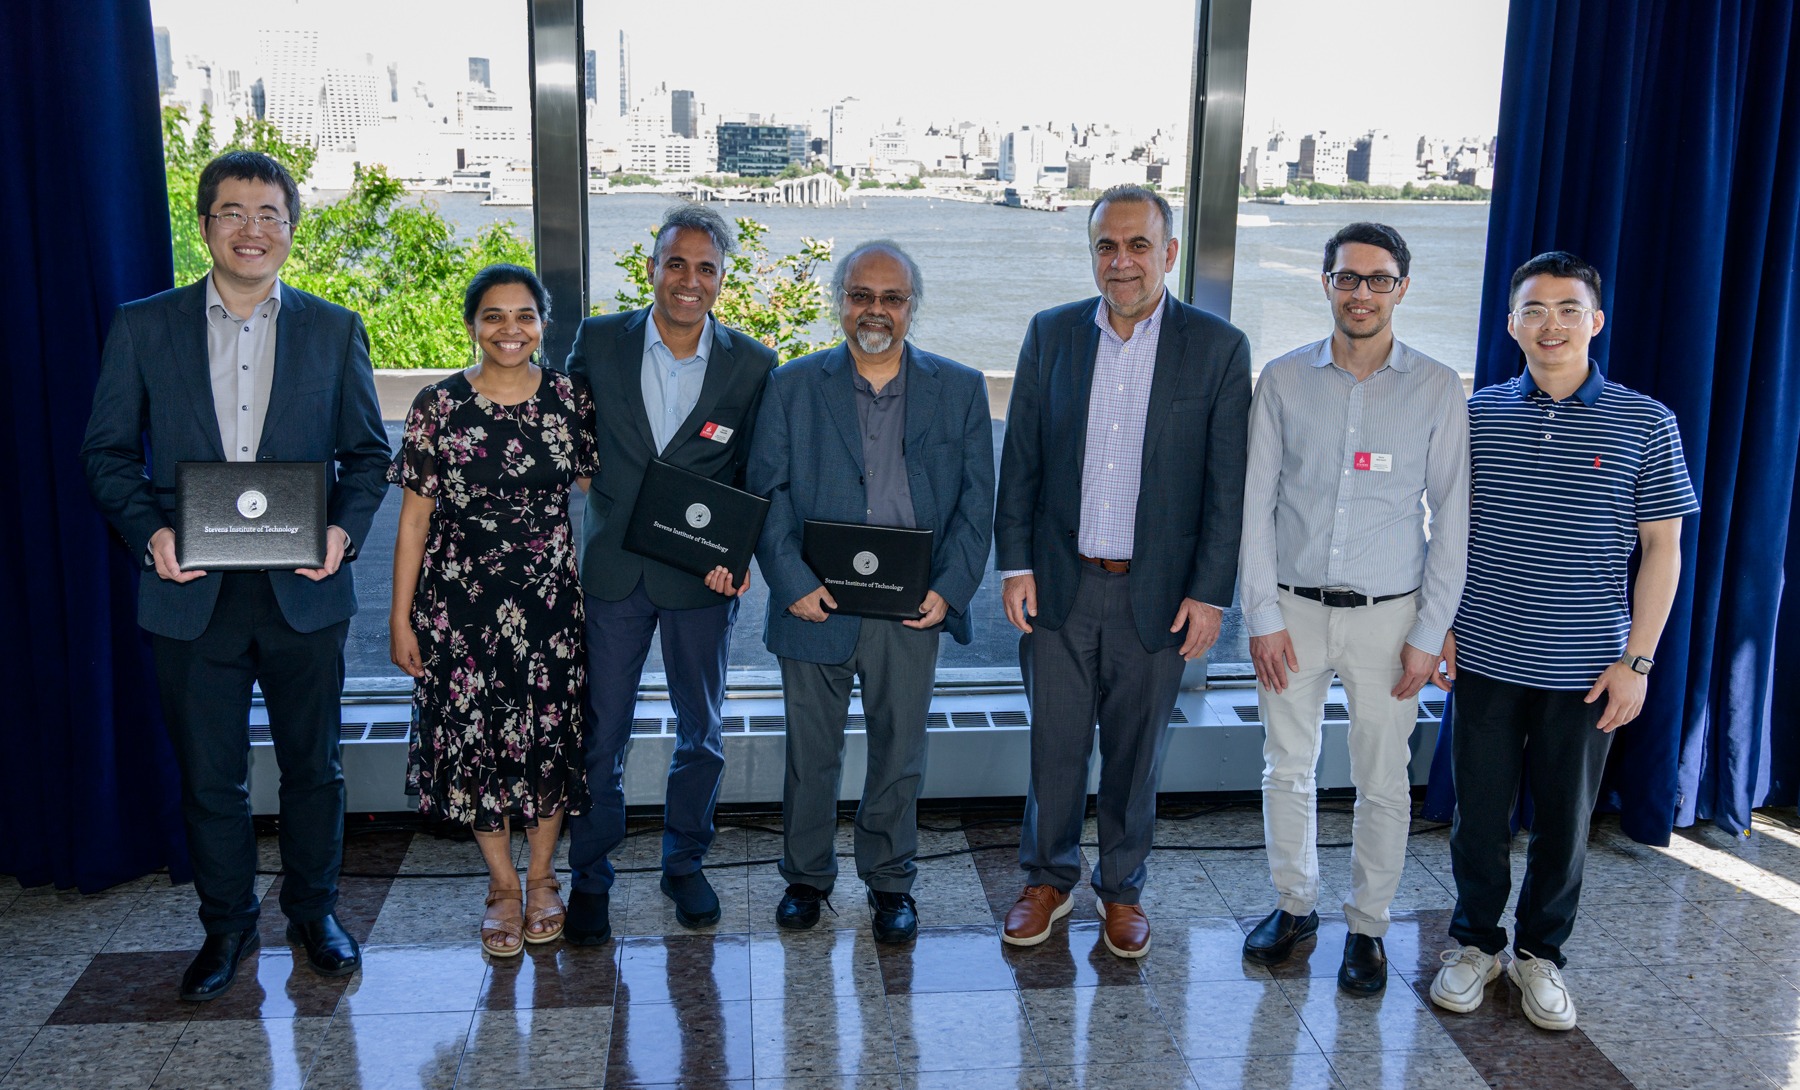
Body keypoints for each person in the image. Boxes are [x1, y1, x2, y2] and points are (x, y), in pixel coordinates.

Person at [81, 151, 390, 999]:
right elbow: (106, 456)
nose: (252, 230)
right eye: (232, 213)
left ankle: (314, 912)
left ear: (291, 228)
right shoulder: (145, 326)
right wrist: (152, 536)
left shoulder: (336, 329)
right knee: (209, 776)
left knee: (316, 768)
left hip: (304, 587)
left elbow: (367, 457)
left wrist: (341, 532)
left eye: (269, 214)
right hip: (190, 593)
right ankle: (225, 928)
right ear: (205, 222)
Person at [1428, 251, 1697, 1031]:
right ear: (1512, 324)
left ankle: (1541, 954)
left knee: (1564, 822)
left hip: (1587, 668)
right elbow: (1446, 532)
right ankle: (1476, 943)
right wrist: (1440, 624)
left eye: (1568, 309)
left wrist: (1637, 661)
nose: (1551, 325)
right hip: (1483, 656)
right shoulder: (1476, 414)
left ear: (1595, 321)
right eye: (1535, 310)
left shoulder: (1647, 421)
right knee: (1479, 815)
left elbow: (1663, 549)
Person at [994, 184, 1250, 958]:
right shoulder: (1052, 334)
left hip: (1160, 596)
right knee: (1057, 747)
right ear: (1093, 254)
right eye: (1108, 245)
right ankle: (1047, 879)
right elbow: (1024, 461)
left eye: (1139, 245)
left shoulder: (1217, 347)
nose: (1123, 260)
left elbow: (1225, 485)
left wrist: (1210, 594)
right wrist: (1015, 565)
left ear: (1168, 254)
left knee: (1138, 757)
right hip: (1061, 587)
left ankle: (1122, 889)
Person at [1236, 223, 1469, 994]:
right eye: (1346, 278)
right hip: (1293, 615)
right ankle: (1294, 904)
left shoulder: (1437, 389)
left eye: (1377, 279)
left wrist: (1429, 633)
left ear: (1403, 287)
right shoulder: (1281, 379)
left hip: (1390, 619)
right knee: (1287, 767)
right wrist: (1261, 616)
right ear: (1325, 283)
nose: (1361, 292)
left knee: (1383, 778)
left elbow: (1452, 521)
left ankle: (1368, 926)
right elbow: (1253, 509)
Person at [746, 240, 994, 943]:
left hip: (911, 608)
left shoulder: (959, 387)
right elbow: (766, 492)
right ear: (841, 302)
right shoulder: (792, 385)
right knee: (810, 754)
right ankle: (806, 877)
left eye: (891, 297)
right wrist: (790, 581)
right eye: (861, 295)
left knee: (899, 751)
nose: (875, 310)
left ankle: (891, 883)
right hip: (813, 603)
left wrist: (949, 590)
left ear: (913, 306)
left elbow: (980, 505)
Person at [562, 203, 777, 941]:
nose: (689, 280)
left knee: (702, 732)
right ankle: (590, 875)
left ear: (722, 278)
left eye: (705, 268)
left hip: (700, 582)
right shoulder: (597, 341)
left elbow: (758, 475)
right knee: (601, 732)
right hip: (616, 572)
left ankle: (685, 863)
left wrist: (737, 557)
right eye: (675, 264)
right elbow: (568, 433)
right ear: (650, 269)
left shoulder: (753, 364)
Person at [388, 264, 593, 956]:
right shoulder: (437, 406)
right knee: (474, 741)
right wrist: (400, 617)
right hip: (459, 607)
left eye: (525, 315)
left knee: (547, 736)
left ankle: (542, 878)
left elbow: (602, 486)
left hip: (549, 606)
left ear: (543, 323)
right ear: (472, 325)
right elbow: (413, 520)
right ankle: (502, 886)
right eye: (494, 316)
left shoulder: (570, 399)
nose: (511, 330)